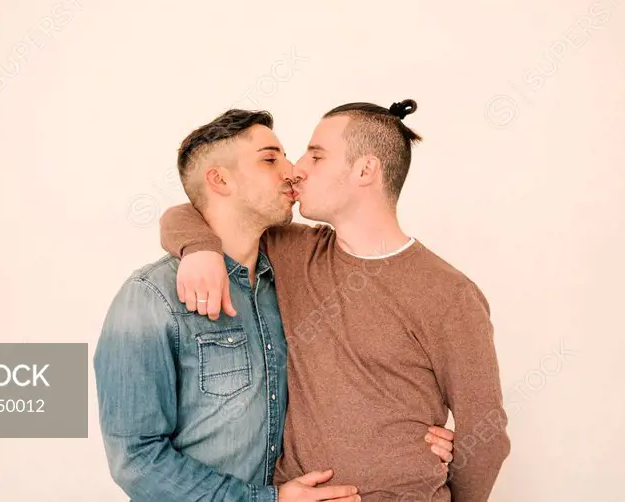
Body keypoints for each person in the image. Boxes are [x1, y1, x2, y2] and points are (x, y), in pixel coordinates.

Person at [93, 108, 455, 502]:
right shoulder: (150, 297)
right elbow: (136, 460)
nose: (292, 170)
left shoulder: (295, 276)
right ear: (219, 179)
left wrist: (409, 445)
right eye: (270, 159)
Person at [159, 99, 510, 501]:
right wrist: (200, 250)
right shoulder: (292, 251)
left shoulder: (449, 294)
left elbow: (486, 437)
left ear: (365, 170)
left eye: (316, 155)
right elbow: (188, 212)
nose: (298, 169)